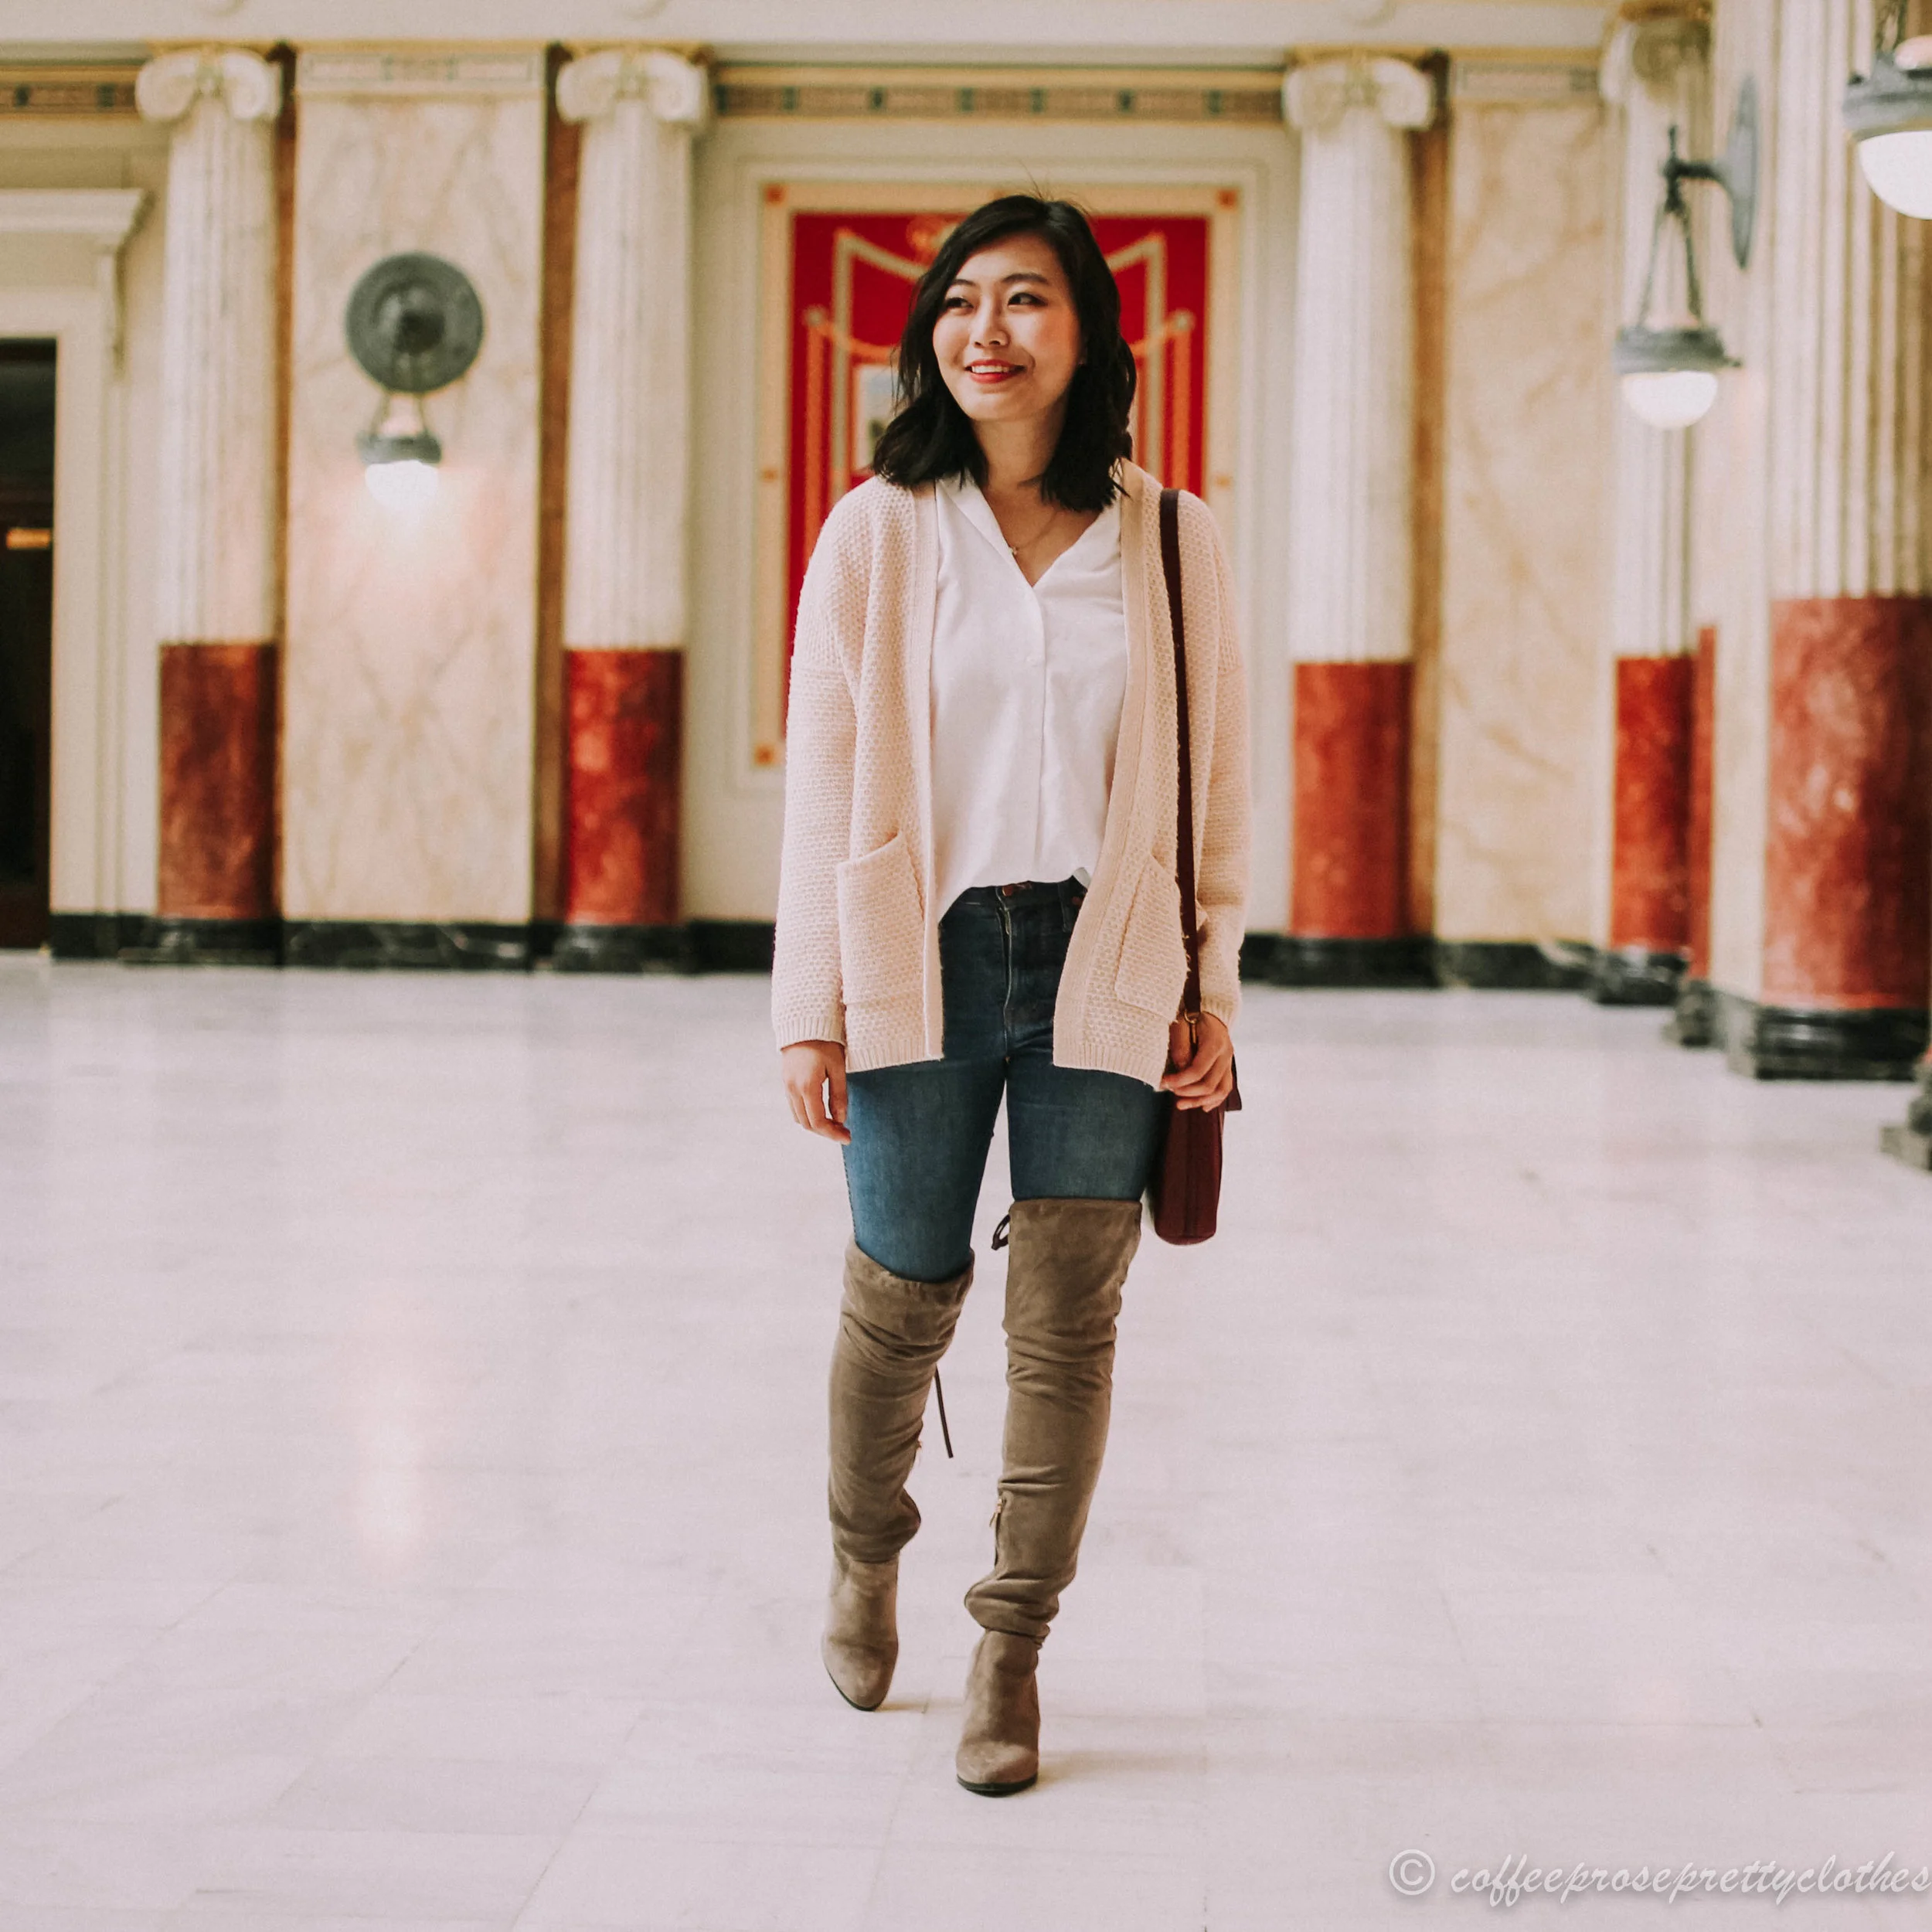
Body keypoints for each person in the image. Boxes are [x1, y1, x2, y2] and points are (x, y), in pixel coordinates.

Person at [771, 194, 1250, 1796]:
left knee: (1066, 1322)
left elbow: (1215, 785)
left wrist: (1213, 984)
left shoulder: (1171, 536)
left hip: (1101, 962)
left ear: (1087, 334)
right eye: (960, 300)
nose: (984, 329)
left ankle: (1010, 1643)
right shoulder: (878, 527)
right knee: (893, 1296)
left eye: (1025, 299)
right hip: (918, 952)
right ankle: (862, 1550)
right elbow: (823, 780)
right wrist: (807, 1003)